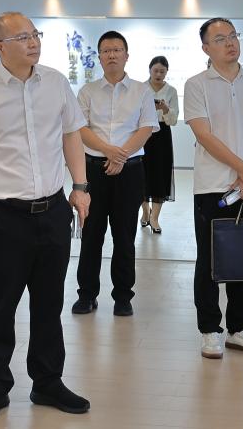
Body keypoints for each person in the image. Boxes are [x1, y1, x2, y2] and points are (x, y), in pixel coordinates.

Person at [0, 12, 91, 423]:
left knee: (49, 302)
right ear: (0, 46)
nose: (34, 43)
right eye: (23, 37)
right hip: (4, 216)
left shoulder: (56, 83)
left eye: (35, 35)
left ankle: (47, 381)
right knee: (1, 303)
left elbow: (71, 134)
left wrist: (80, 186)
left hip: (52, 209)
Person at [184, 17, 243, 360]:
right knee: (210, 260)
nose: (230, 43)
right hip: (212, 186)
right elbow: (204, 135)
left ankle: (239, 328)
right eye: (220, 39)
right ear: (206, 48)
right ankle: (210, 330)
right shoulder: (196, 85)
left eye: (233, 36)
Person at [72, 31, 157, 317]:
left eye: (117, 50)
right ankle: (86, 295)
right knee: (91, 234)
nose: (111, 55)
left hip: (129, 171)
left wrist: (121, 155)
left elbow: (146, 128)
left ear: (126, 55)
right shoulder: (87, 91)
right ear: (99, 57)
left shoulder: (142, 91)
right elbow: (80, 128)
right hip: (94, 170)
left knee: (124, 236)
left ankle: (123, 296)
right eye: (106, 51)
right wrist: (109, 150)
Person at [141, 55, 179, 234]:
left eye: (162, 72)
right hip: (143, 134)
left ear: (167, 72)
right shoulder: (140, 88)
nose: (158, 74)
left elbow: (173, 120)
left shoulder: (171, 91)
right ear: (149, 70)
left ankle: (154, 218)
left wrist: (165, 109)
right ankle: (145, 211)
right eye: (155, 71)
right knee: (141, 175)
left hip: (162, 135)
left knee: (160, 175)